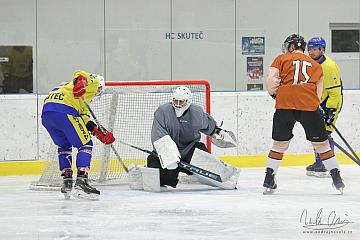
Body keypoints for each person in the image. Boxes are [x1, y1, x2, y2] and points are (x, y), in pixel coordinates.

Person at [263, 34, 345, 194]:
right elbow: (318, 93)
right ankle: (337, 179)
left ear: (292, 47)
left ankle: (268, 179)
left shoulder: (281, 59)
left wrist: (277, 95)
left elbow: (271, 82)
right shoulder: (316, 65)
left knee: (279, 145)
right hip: (308, 106)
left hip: (285, 105)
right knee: (322, 145)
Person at [41, 70, 115, 199]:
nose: (97, 93)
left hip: (47, 113)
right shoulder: (93, 83)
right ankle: (82, 182)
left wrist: (96, 130)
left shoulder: (69, 90)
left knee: (64, 146)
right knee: (86, 144)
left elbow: (83, 118)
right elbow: (81, 74)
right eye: (99, 91)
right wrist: (81, 80)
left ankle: (67, 181)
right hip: (65, 110)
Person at [147, 86, 238, 189]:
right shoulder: (163, 111)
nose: (178, 105)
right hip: (167, 154)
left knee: (205, 159)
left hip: (189, 149)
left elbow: (210, 127)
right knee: (160, 179)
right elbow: (158, 135)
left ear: (188, 101)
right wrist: (168, 155)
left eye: (181, 102)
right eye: (175, 101)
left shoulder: (197, 112)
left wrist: (218, 132)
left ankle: (226, 176)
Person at [305, 37, 343, 177]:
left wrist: (331, 111)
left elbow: (335, 92)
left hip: (330, 102)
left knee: (325, 134)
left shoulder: (329, 66)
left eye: (315, 49)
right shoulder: (310, 63)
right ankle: (319, 161)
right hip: (318, 102)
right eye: (310, 49)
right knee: (316, 133)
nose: (312, 52)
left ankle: (325, 163)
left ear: (322, 50)